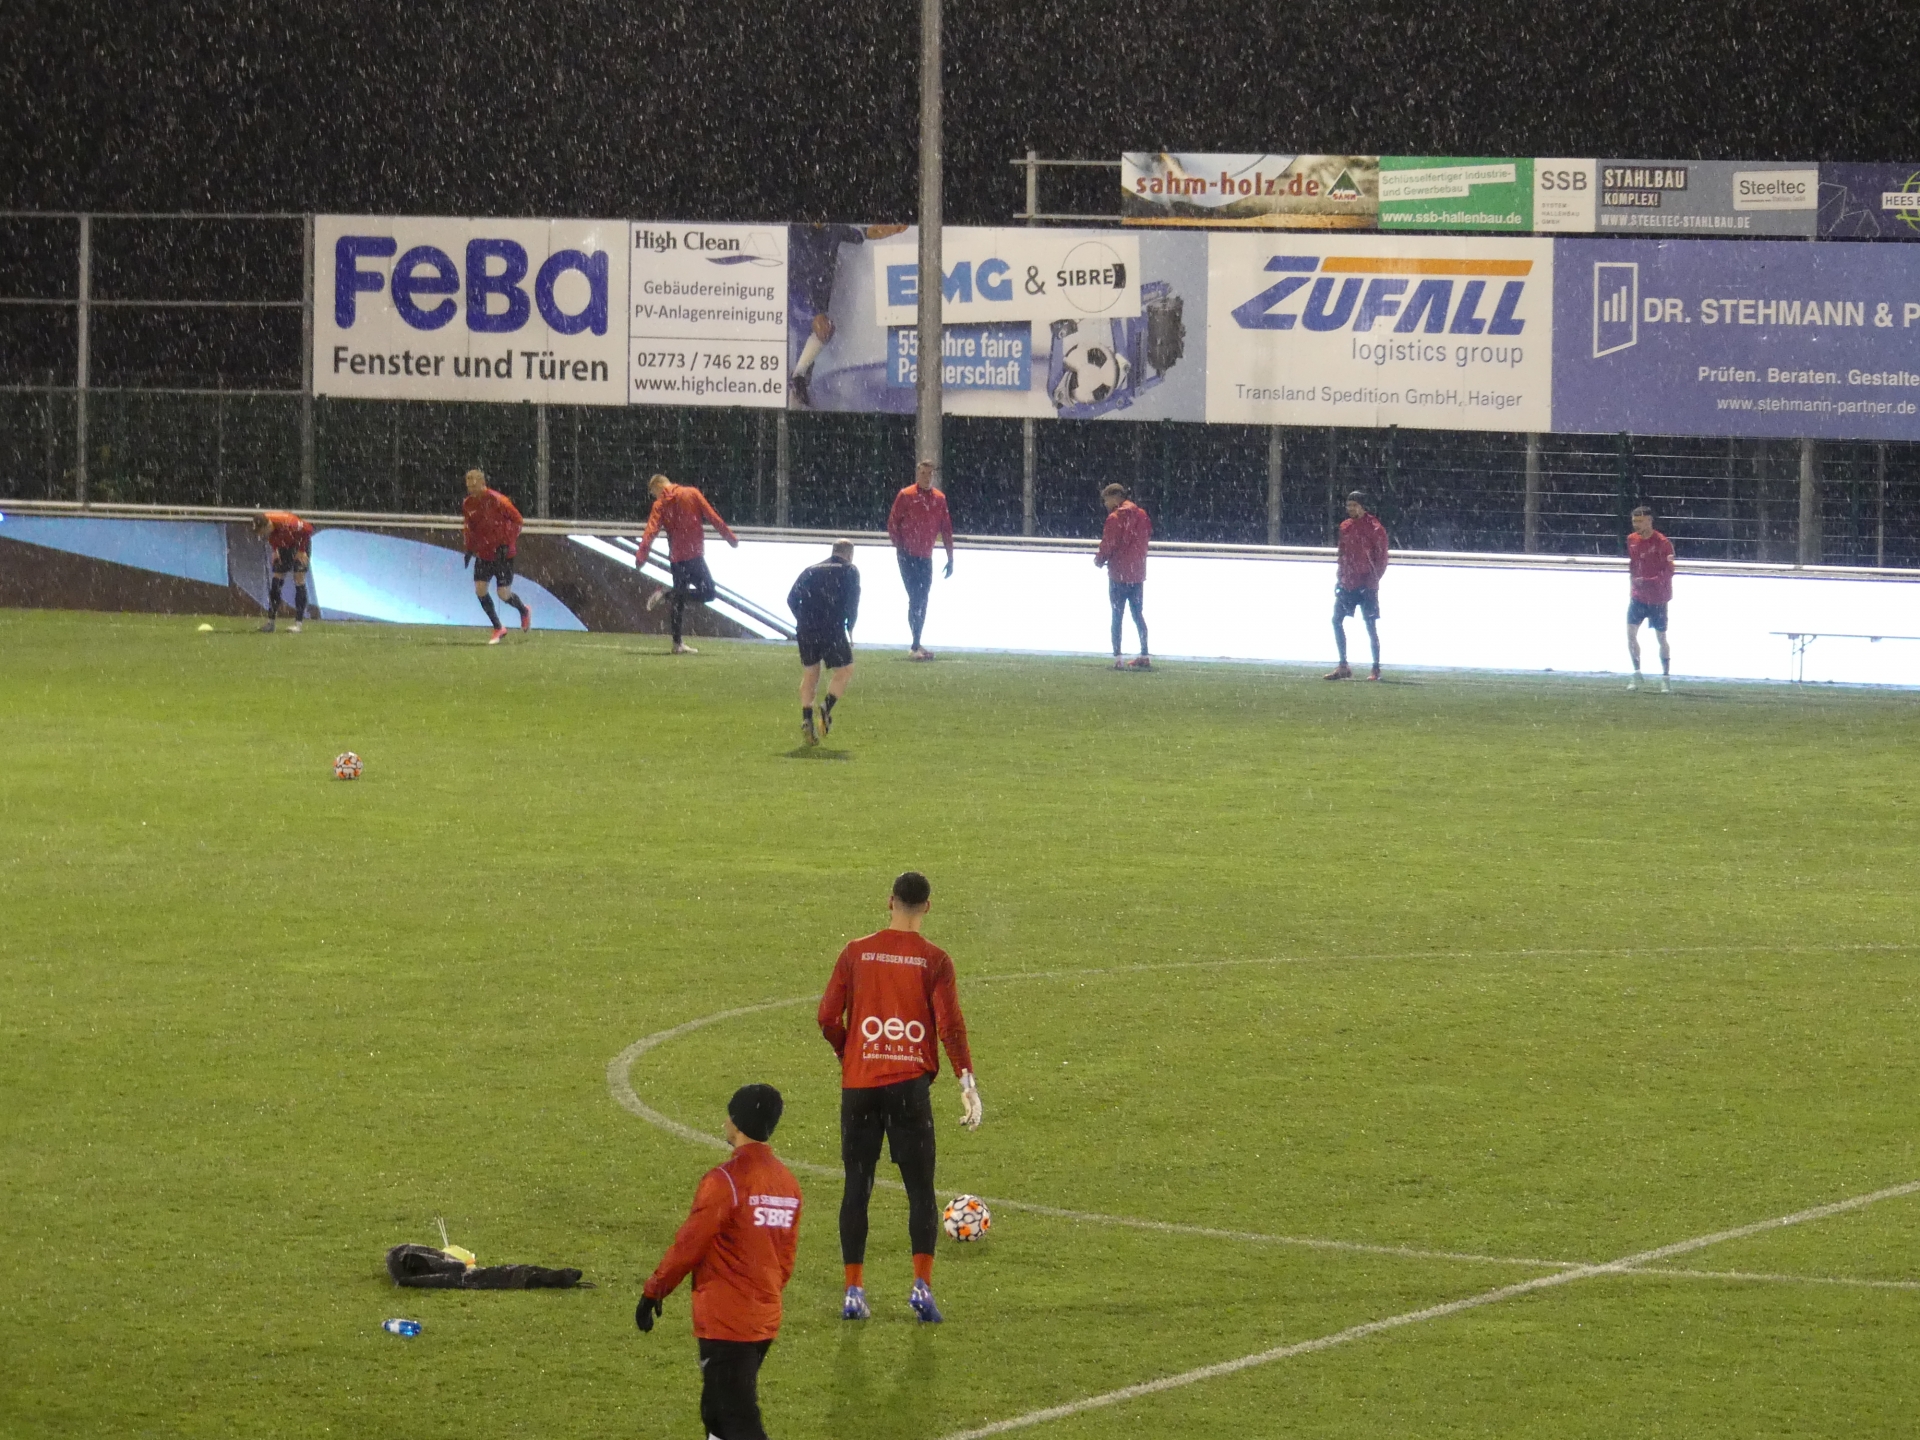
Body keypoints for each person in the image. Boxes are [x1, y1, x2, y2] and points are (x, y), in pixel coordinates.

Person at [818, 871, 982, 1325]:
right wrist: (966, 1082)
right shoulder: (935, 960)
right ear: (927, 906)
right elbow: (950, 1025)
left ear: (889, 901)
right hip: (909, 1087)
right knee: (920, 1190)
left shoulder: (855, 952)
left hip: (860, 1085)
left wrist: (850, 1053)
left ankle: (854, 1292)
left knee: (857, 1185)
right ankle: (921, 1287)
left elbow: (827, 1016)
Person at [637, 1084, 800, 1440]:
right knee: (717, 1414)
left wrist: (654, 1290)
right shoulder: (787, 1184)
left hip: (727, 1322)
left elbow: (689, 1245)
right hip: (764, 1318)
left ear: (737, 1122)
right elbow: (785, 1258)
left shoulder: (724, 1180)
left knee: (736, 1421)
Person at [637, 473, 739, 655]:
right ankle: (667, 594)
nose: (655, 496)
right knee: (708, 592)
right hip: (694, 554)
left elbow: (651, 531)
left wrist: (641, 555)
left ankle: (677, 643)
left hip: (676, 558)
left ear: (658, 486)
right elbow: (712, 516)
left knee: (679, 600)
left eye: (654, 493)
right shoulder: (691, 493)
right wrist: (730, 537)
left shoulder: (660, 504)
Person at [788, 539, 861, 747]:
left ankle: (806, 717)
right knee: (845, 669)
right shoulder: (850, 570)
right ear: (849, 554)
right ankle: (826, 708)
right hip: (832, 628)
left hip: (806, 629)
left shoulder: (810, 570)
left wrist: (803, 619)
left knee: (811, 673)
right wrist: (850, 626)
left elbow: (791, 599)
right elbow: (853, 601)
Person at [887, 460, 954, 660]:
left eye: (930, 474)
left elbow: (946, 529)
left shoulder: (939, 499)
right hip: (907, 555)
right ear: (918, 474)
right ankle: (915, 644)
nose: (926, 477)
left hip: (925, 556)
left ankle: (916, 642)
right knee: (916, 597)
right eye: (923, 473)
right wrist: (900, 547)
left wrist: (950, 557)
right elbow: (893, 523)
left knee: (922, 599)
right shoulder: (906, 495)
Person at [461, 469, 530, 644]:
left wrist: (507, 544)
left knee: (503, 594)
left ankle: (523, 610)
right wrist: (469, 549)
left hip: (503, 554)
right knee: (480, 589)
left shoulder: (498, 500)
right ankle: (498, 627)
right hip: (484, 553)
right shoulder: (468, 504)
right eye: (468, 484)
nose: (471, 487)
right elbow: (470, 528)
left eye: (474, 484)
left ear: (482, 483)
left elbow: (518, 520)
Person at [1326, 490, 1389, 681]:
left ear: (1362, 507)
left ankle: (1375, 669)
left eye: (1354, 505)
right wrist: (1340, 578)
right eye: (1349, 505)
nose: (1350, 509)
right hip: (1348, 583)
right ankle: (1343, 665)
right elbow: (1342, 555)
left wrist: (1372, 581)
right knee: (1336, 620)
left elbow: (1382, 559)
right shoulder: (1345, 527)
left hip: (1367, 586)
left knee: (1370, 625)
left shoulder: (1375, 528)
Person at [1094, 483, 1151, 670]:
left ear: (1114, 497)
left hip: (1118, 574)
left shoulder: (1114, 518)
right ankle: (1144, 654)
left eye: (1106, 500)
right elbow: (1145, 539)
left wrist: (1100, 560)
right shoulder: (1141, 515)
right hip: (1137, 573)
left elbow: (1108, 543)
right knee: (1138, 614)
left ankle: (1118, 658)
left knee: (1117, 615)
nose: (1105, 504)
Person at [1626, 504, 1676, 692]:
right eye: (1634, 521)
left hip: (1658, 598)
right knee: (1631, 634)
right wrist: (1633, 584)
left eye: (1640, 521)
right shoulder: (1631, 539)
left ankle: (1665, 676)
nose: (1636, 525)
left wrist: (1647, 581)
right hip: (1638, 597)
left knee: (1661, 637)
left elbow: (1669, 571)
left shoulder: (1663, 543)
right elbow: (1633, 564)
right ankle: (1636, 672)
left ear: (1649, 521)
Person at [252, 510, 314, 633]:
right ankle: (271, 622)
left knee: (299, 579)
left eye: (263, 532)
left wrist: (301, 550)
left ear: (268, 525)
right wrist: (276, 550)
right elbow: (272, 537)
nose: (262, 535)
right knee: (276, 581)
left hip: (299, 544)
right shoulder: (267, 526)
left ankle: (298, 623)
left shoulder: (288, 522)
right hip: (283, 546)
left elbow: (308, 529)